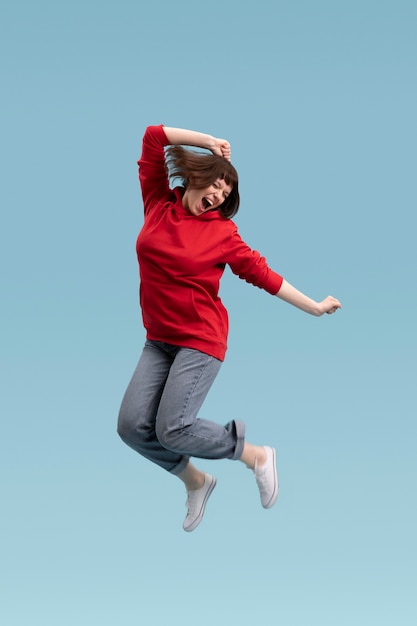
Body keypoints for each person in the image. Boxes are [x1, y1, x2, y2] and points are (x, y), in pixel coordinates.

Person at [117, 124, 341, 532]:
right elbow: (152, 137)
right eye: (215, 185)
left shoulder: (221, 232)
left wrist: (313, 307)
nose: (218, 196)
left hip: (200, 340)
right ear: (196, 178)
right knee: (131, 427)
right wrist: (210, 143)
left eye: (225, 193)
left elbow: (263, 274)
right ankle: (196, 481)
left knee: (173, 427)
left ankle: (255, 455)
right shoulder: (158, 202)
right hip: (158, 340)